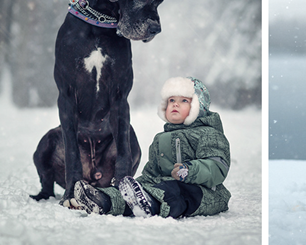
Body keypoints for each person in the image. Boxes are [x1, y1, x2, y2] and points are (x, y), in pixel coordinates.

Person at [70, 77, 231, 218]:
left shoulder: (209, 134)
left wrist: (190, 170)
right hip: (163, 189)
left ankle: (147, 203)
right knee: (140, 191)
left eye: (184, 101)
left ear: (197, 107)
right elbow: (151, 174)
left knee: (175, 191)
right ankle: (101, 200)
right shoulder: (161, 139)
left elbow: (217, 167)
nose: (175, 104)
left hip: (204, 193)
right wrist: (135, 186)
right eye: (171, 100)